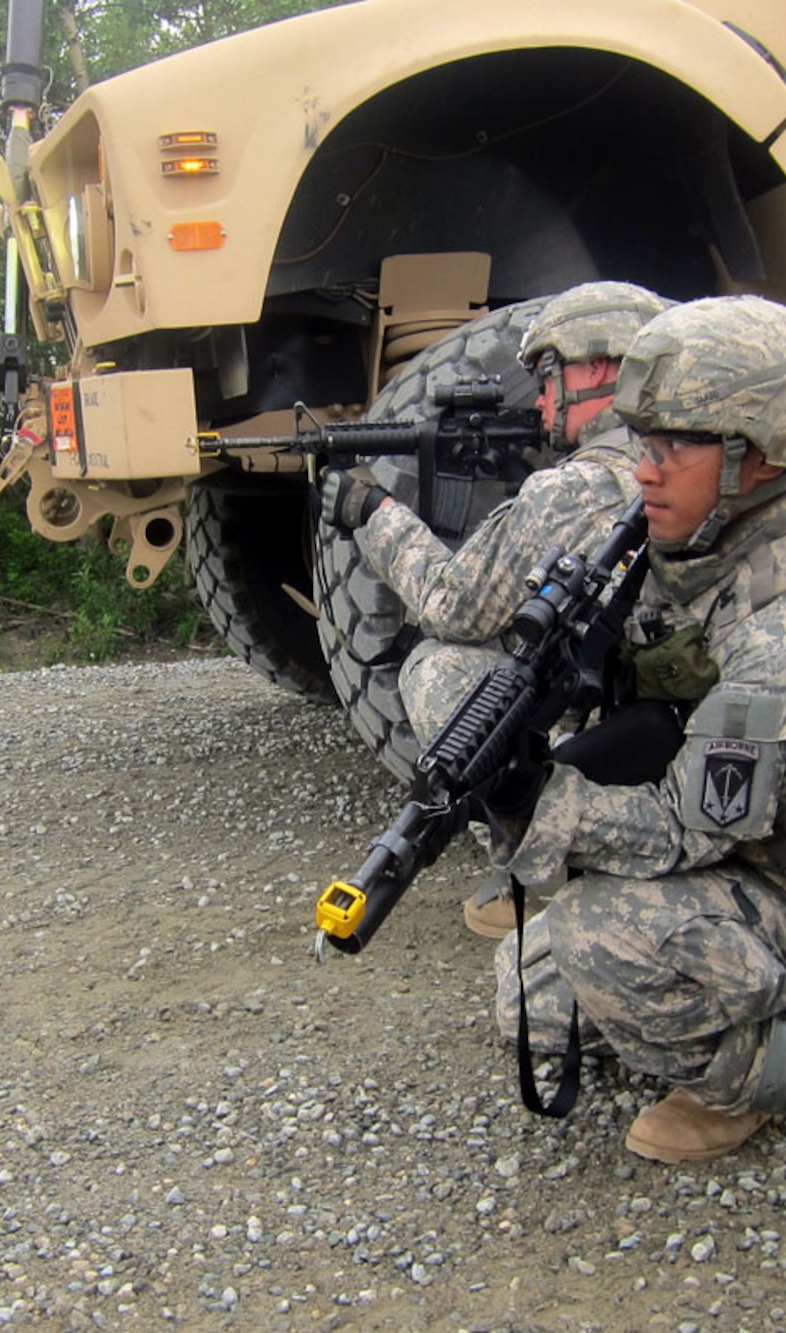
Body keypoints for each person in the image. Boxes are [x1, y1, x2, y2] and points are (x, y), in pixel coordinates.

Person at [488, 295, 786, 1165]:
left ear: (761, 456)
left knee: (600, 931)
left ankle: (770, 1069)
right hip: (748, 863)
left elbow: (694, 822)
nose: (646, 469)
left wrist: (544, 803)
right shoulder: (685, 549)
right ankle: (771, 993)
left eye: (676, 446)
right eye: (644, 441)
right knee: (528, 986)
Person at [319, 281, 673, 938]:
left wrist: (375, 514)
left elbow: (454, 605)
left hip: (644, 733)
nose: (538, 396)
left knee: (437, 668)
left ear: (596, 367)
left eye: (546, 374)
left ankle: (541, 868)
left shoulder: (581, 486)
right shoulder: (690, 459)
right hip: (687, 720)